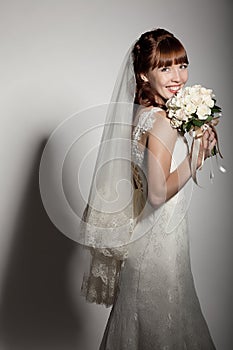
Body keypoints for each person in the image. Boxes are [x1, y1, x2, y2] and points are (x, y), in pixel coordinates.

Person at [81, 28, 217, 349]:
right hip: (159, 247)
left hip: (147, 240)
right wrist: (195, 159)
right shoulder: (162, 121)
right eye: (165, 67)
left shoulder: (141, 114)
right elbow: (156, 193)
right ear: (143, 73)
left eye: (182, 65)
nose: (177, 77)